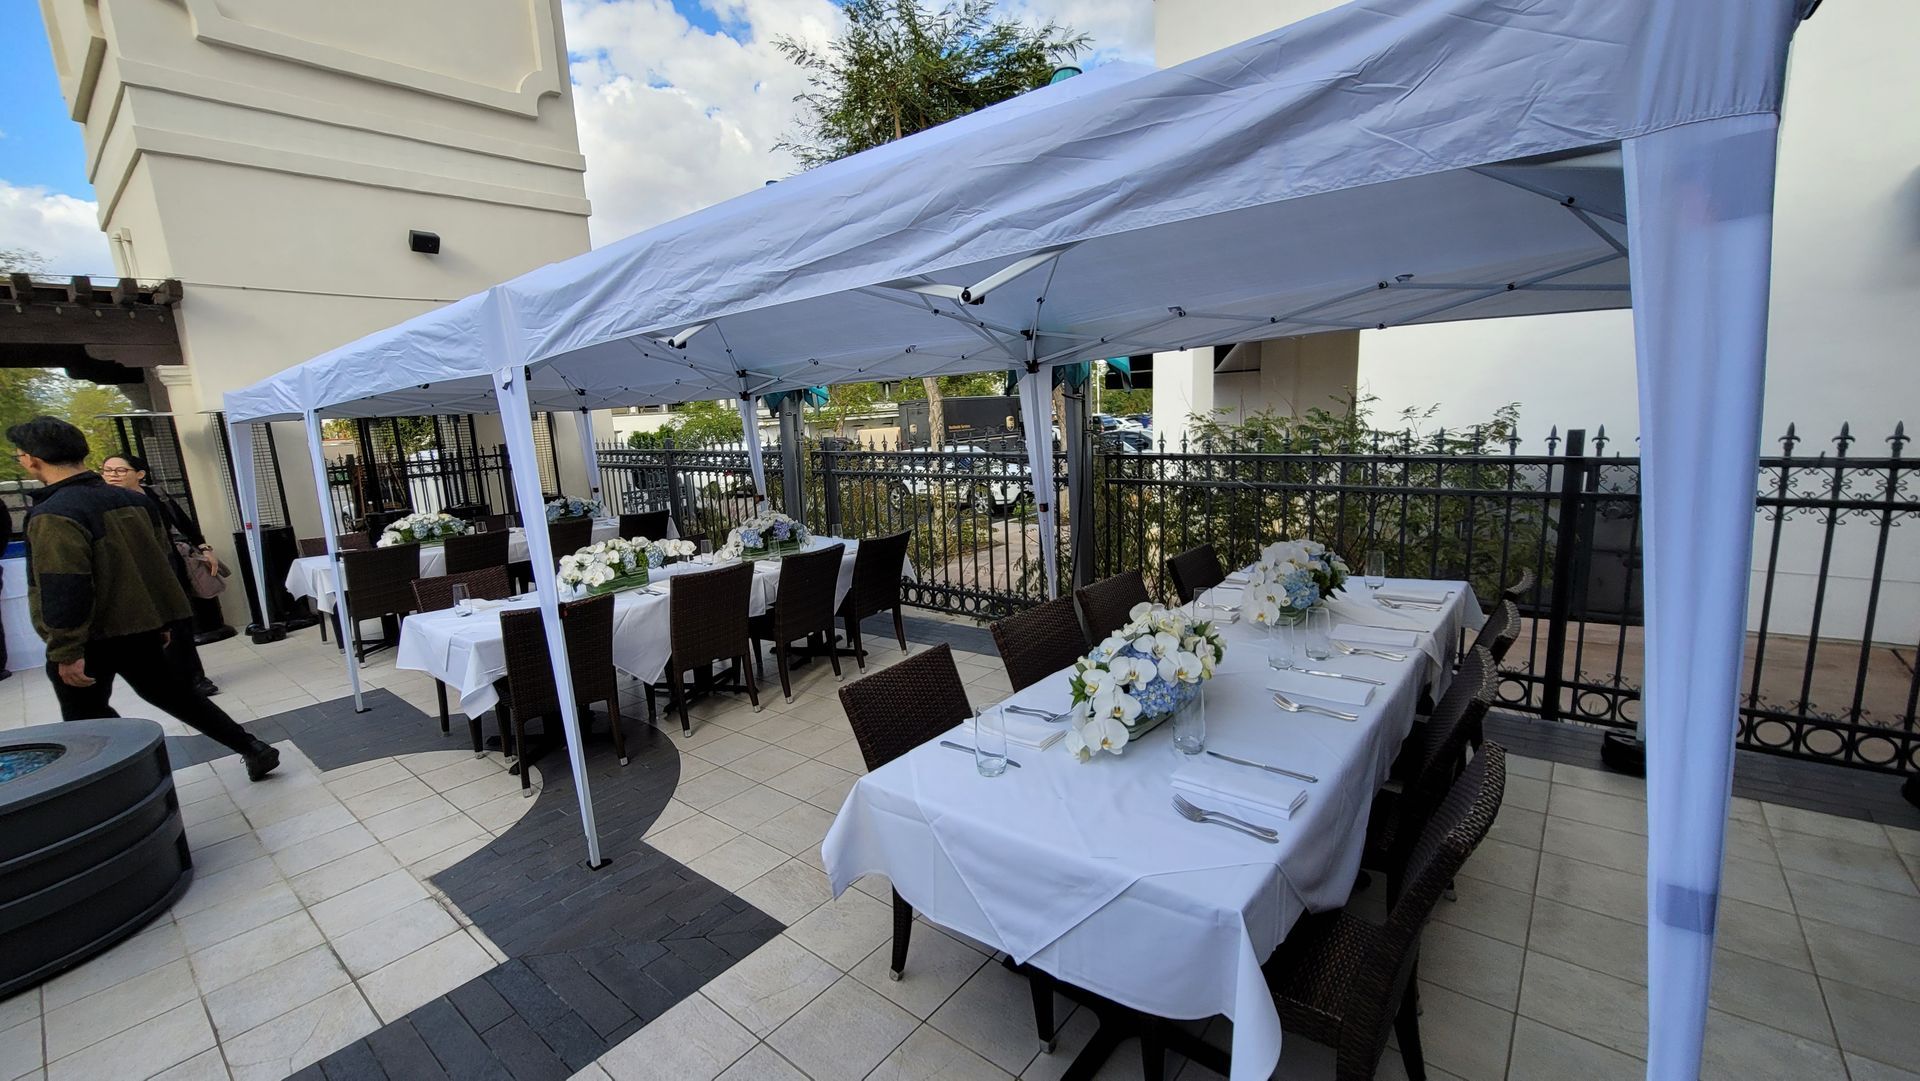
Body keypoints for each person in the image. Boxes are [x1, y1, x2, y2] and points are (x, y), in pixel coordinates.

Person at [10, 416, 277, 780]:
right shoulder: (133, 500)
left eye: (20, 455)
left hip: (92, 637)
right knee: (179, 697)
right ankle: (252, 747)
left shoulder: (54, 514)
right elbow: (162, 565)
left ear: (32, 459)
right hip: (142, 627)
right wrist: (165, 619)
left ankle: (132, 784)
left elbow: (64, 584)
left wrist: (65, 650)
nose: (21, 461)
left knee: (86, 720)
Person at [101, 454, 220, 697]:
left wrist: (205, 549)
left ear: (140, 474)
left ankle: (194, 677)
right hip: (132, 570)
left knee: (180, 620)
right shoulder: (102, 502)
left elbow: (184, 523)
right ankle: (168, 678)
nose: (113, 475)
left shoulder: (156, 495)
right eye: (107, 470)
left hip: (167, 563)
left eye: (120, 470)